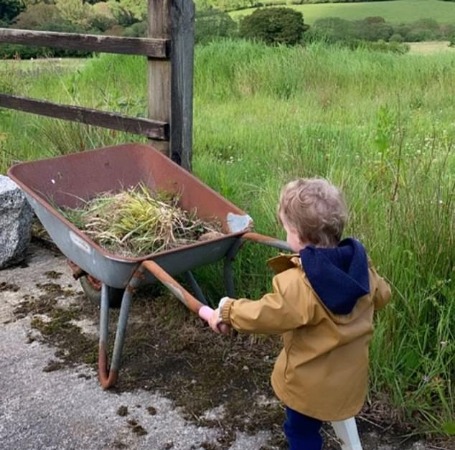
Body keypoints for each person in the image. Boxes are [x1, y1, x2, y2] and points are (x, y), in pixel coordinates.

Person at [208, 177, 391, 450]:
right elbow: (384, 295)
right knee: (328, 417)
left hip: (308, 389)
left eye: (286, 229)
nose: (285, 234)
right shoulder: (361, 271)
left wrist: (227, 311)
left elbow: (264, 314)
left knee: (300, 431)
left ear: (299, 236)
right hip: (349, 382)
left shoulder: (299, 284)